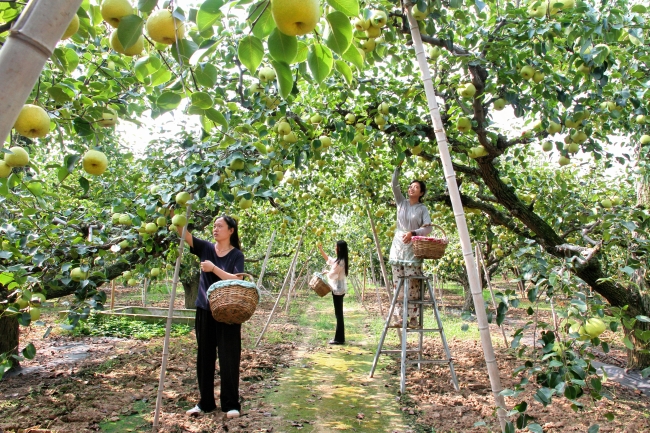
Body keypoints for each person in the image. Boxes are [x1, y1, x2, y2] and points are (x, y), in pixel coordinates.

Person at [177, 215, 245, 419]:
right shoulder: (206, 248)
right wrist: (173, 212)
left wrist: (213, 268)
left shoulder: (236, 255)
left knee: (229, 357)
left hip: (228, 312)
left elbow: (238, 279)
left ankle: (231, 404)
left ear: (231, 230)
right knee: (204, 357)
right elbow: (184, 233)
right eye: (214, 226)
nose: (215, 229)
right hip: (205, 310)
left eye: (220, 226)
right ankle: (205, 402)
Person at [388, 162, 432, 328]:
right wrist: (397, 167)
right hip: (398, 247)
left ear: (421, 193)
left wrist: (413, 233)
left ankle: (413, 318)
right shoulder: (401, 203)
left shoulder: (422, 209)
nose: (412, 188)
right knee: (398, 283)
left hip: (413, 248)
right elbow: (394, 185)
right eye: (410, 186)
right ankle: (401, 317)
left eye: (416, 187)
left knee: (412, 282)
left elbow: (428, 228)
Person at [317, 240, 349, 345]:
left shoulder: (340, 262)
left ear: (339, 248)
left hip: (338, 290)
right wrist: (321, 250)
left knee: (338, 314)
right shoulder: (340, 260)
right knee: (338, 314)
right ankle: (340, 338)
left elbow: (332, 275)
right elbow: (329, 260)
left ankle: (339, 339)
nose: (335, 248)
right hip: (339, 289)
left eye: (336, 247)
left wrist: (327, 272)